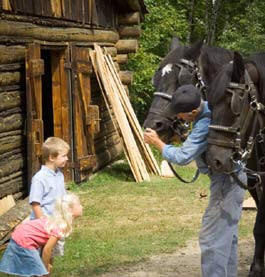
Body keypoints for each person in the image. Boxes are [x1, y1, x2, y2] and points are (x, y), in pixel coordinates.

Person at [144, 84, 246, 277]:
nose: (177, 117)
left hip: (227, 181)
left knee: (212, 239)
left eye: (180, 115)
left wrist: (157, 142)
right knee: (226, 237)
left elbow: (183, 157)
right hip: (232, 179)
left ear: (192, 111)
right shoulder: (210, 108)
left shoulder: (206, 122)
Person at [0, 193, 83, 276]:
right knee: (39, 271)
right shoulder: (58, 229)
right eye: (79, 205)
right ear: (69, 210)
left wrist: (47, 264)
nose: (81, 207)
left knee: (37, 270)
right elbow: (46, 250)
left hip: (21, 235)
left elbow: (46, 248)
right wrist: (45, 268)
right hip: (24, 239)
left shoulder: (56, 223)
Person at [29, 137, 70, 257]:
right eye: (63, 156)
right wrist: (43, 224)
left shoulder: (59, 175)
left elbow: (63, 197)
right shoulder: (39, 178)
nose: (67, 158)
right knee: (41, 256)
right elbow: (35, 203)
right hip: (43, 225)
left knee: (50, 256)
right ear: (51, 157)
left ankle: (47, 274)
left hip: (56, 223)